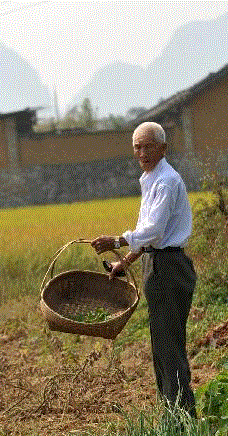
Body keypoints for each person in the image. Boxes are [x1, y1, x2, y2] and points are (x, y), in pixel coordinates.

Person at [91, 121, 197, 412]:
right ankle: (173, 413)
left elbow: (155, 231)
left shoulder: (166, 181)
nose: (142, 152)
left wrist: (117, 240)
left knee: (169, 345)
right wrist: (124, 262)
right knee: (161, 345)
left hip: (169, 267)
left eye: (149, 146)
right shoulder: (150, 179)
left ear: (163, 148)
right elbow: (146, 231)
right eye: (137, 147)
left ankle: (182, 416)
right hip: (157, 262)